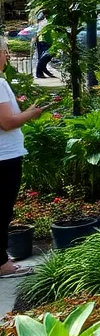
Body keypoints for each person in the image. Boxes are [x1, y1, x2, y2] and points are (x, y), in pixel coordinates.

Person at [0, 37, 44, 278]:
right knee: (3, 210)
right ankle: (2, 265)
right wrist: (31, 114)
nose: (7, 56)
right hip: (4, 158)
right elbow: (6, 122)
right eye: (5, 51)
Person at [33, 13, 52, 79]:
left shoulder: (47, 21)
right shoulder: (46, 21)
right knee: (44, 57)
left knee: (46, 57)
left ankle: (43, 69)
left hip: (45, 41)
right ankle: (39, 72)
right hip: (44, 41)